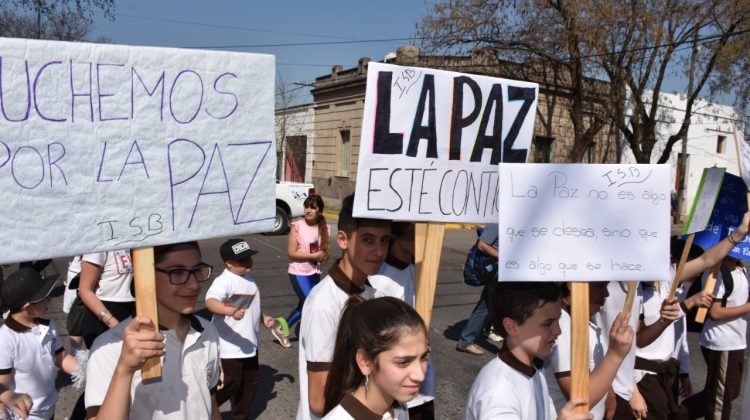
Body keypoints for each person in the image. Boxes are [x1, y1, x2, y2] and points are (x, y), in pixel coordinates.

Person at [595, 213, 750, 420]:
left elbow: (706, 259)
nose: (664, 261)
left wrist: (738, 234)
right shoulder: (612, 288)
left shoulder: (661, 279)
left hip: (662, 375)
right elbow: (606, 346)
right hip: (634, 380)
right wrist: (632, 390)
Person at [84, 242, 221, 420]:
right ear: (145, 275)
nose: (194, 285)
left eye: (197, 270)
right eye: (177, 272)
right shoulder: (110, 347)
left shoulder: (208, 332)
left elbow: (210, 404)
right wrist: (124, 370)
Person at [297, 193, 392, 420]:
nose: (379, 251)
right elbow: (319, 401)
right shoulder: (324, 304)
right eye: (367, 240)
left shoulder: (373, 292)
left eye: (385, 240)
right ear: (342, 239)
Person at [464, 281, 592, 420]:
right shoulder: (498, 393)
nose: (558, 331)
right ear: (512, 327)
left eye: (558, 321)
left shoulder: (534, 367)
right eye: (548, 323)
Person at [322, 296, 429, 419]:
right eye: (403, 362)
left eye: (424, 357)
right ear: (365, 362)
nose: (420, 375)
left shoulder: (398, 407)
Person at [369, 222, 436, 419]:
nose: (422, 236)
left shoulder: (418, 270)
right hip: (400, 386)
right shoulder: (379, 281)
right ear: (396, 235)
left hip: (423, 380)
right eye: (415, 231)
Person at [205, 238, 277, 420]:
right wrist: (229, 311)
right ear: (228, 263)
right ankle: (203, 409)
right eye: (242, 260)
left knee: (250, 384)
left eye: (249, 258)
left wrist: (263, 318)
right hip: (229, 347)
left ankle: (241, 416)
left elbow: (251, 306)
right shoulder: (224, 281)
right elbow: (211, 302)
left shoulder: (249, 279)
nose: (248, 262)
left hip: (249, 344)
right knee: (230, 384)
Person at [0, 268, 81, 420]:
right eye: (44, 297)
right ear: (27, 306)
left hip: (49, 406)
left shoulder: (47, 326)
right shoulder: (6, 338)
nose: (49, 299)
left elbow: (61, 358)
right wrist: (2, 413)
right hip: (25, 414)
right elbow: (2, 384)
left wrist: (85, 370)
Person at [547, 282, 634, 420]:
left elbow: (593, 369)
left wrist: (609, 393)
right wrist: (615, 354)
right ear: (572, 284)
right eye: (600, 286)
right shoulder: (562, 324)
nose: (606, 293)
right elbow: (579, 400)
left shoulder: (581, 321)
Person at [681, 256, 750, 420]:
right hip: (722, 341)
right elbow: (715, 313)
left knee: (729, 392)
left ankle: (676, 415)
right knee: (720, 400)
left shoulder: (741, 268)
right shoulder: (716, 272)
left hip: (736, 340)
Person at [282, 194, 331, 342]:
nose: (308, 210)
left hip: (314, 272)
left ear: (319, 211)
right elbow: (291, 253)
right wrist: (313, 257)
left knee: (304, 305)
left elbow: (324, 251)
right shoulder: (297, 226)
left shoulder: (325, 228)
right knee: (311, 303)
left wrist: (322, 256)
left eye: (313, 207)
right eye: (306, 206)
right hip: (298, 272)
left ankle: (281, 328)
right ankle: (316, 335)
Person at [456, 223, 500, 356]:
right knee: (486, 306)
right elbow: (482, 245)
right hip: (499, 271)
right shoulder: (498, 221)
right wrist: (504, 257)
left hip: (512, 270)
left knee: (489, 306)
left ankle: (467, 340)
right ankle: (466, 341)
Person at [78, 250, 135, 348]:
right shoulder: (99, 243)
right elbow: (85, 290)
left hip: (135, 312)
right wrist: (112, 323)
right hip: (103, 316)